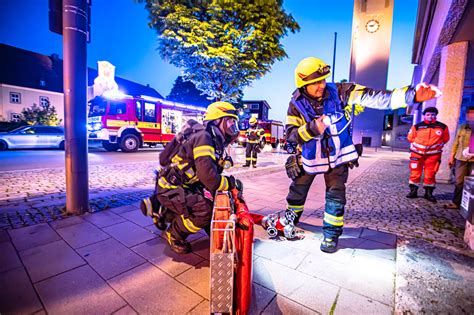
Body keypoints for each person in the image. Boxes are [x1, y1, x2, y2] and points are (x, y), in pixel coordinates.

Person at [284, 57, 440, 253]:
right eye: (315, 82)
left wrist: (412, 95)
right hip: (309, 157)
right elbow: (291, 135)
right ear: (303, 83)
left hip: (338, 155)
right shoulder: (295, 104)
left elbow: (376, 97)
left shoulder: (341, 91)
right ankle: (290, 220)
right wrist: (313, 128)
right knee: (297, 190)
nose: (322, 85)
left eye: (323, 79)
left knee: (335, 196)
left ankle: (331, 235)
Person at [141, 101, 241, 254]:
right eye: (229, 121)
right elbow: (210, 179)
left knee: (210, 199)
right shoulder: (204, 138)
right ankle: (174, 234)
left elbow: (205, 168)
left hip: (182, 185)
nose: (232, 126)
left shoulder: (211, 139)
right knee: (204, 211)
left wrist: (221, 163)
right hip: (171, 188)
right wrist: (232, 183)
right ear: (217, 120)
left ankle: (162, 210)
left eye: (234, 122)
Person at [406, 107, 450, 202]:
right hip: (417, 154)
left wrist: (434, 145)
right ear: (424, 115)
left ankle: (428, 193)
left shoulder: (442, 127)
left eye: (432, 114)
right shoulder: (417, 126)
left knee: (430, 174)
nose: (430, 116)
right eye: (428, 114)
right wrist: (420, 145)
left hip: (433, 155)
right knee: (415, 172)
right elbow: (410, 138)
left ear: (435, 115)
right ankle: (413, 191)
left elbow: (445, 139)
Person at [445, 106, 474, 209]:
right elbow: (456, 143)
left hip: (473, 160)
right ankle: (456, 203)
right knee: (459, 181)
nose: (471, 116)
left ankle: (470, 206)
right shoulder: (462, 127)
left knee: (472, 182)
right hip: (461, 158)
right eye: (469, 114)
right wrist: (451, 156)